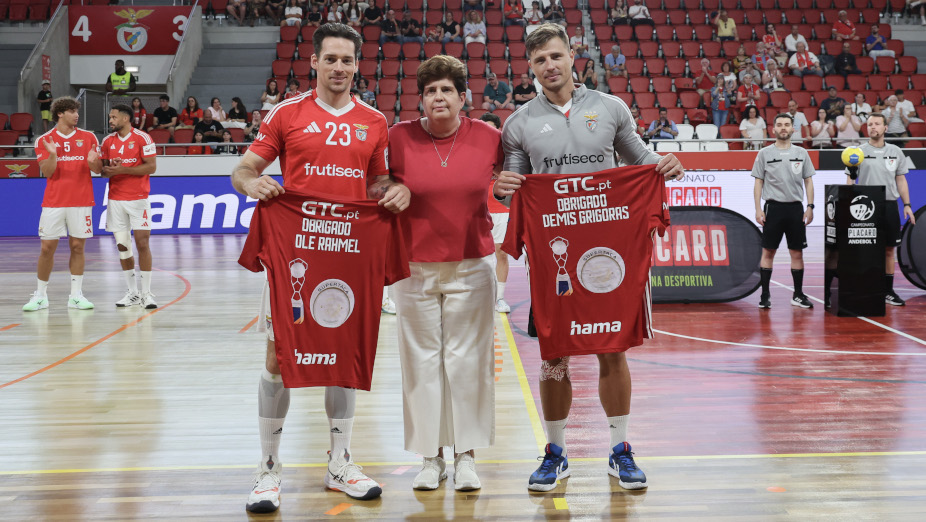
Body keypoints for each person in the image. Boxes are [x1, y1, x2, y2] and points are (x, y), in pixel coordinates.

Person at [493, 23, 684, 493]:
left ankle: (620, 451)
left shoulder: (610, 107)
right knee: (553, 355)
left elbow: (640, 161)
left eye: (556, 56)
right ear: (531, 67)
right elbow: (515, 185)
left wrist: (664, 165)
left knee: (611, 348)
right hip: (554, 257)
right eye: (540, 61)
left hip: (606, 251)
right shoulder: (517, 124)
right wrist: (503, 187)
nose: (549, 66)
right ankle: (555, 453)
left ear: (571, 56)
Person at [230, 23, 410, 513]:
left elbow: (378, 184)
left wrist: (395, 192)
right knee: (277, 358)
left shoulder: (374, 121)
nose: (339, 68)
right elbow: (243, 169)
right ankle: (268, 469)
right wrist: (253, 186)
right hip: (297, 252)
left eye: (347, 60)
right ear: (313, 62)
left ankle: (340, 462)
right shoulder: (286, 114)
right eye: (330, 59)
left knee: (344, 355)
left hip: (349, 255)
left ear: (357, 65)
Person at [388, 54, 500, 492]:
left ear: (462, 97)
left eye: (446, 89)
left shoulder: (489, 136)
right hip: (413, 267)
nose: (438, 96)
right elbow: (373, 181)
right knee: (421, 362)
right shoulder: (398, 137)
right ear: (422, 99)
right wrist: (389, 187)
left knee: (468, 361)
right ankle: (430, 457)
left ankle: (466, 456)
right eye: (431, 90)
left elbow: (513, 176)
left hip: (472, 265)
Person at [23, 96, 102, 312]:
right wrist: (53, 155)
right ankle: (40, 296)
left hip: (81, 201)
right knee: (47, 248)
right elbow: (47, 172)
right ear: (60, 113)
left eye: (76, 111)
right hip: (54, 202)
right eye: (72, 111)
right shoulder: (44, 140)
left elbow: (97, 170)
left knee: (78, 247)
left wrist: (94, 161)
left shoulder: (89, 137)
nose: (76, 115)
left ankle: (76, 296)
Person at [834, 113, 916, 307]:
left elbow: (901, 180)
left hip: (888, 205)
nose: (873, 127)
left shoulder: (896, 151)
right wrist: (848, 203)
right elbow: (850, 180)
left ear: (885, 128)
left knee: (889, 250)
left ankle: (888, 291)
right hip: (865, 207)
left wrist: (907, 205)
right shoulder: (857, 152)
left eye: (877, 124)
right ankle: (865, 289)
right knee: (864, 250)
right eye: (870, 124)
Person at [752, 113, 816, 310]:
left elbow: (808, 181)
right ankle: (764, 295)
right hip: (773, 208)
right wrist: (757, 209)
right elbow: (758, 182)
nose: (783, 128)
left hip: (795, 209)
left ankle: (797, 295)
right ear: (773, 129)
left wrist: (810, 206)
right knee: (768, 252)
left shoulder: (802, 153)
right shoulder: (764, 153)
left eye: (787, 125)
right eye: (779, 124)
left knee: (796, 253)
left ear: (793, 128)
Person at [100, 104, 158, 309]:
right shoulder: (107, 141)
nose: (110, 120)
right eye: (110, 117)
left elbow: (152, 167)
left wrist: (123, 168)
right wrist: (109, 168)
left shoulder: (143, 138)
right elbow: (104, 172)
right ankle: (132, 292)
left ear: (125, 119)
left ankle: (147, 293)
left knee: (142, 243)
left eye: (114, 117)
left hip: (138, 198)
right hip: (115, 199)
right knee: (122, 246)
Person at [476, 112, 512, 312]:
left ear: (498, 130)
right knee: (477, 256)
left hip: (500, 208)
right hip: (476, 207)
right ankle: (479, 298)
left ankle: (499, 298)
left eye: (492, 128)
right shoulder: (472, 151)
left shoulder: (506, 151)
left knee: (501, 253)